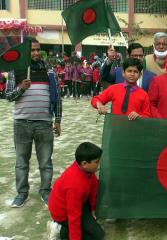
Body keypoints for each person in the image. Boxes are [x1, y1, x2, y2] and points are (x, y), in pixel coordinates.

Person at [5, 38, 62, 208]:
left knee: (46, 162)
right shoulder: (16, 71)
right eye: (32, 50)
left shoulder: (50, 72)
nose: (36, 53)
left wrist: (58, 120)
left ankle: (45, 191)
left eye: (38, 50)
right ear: (26, 53)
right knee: (21, 162)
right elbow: (8, 96)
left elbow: (57, 98)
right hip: (22, 123)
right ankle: (22, 193)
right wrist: (21, 87)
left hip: (44, 123)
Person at [47, 142, 105, 240]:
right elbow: (74, 216)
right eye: (96, 162)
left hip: (78, 203)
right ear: (84, 164)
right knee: (96, 236)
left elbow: (94, 186)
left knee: (97, 233)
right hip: (63, 213)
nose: (98, 164)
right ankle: (59, 228)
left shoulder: (86, 170)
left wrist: (93, 209)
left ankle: (64, 229)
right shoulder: (75, 185)